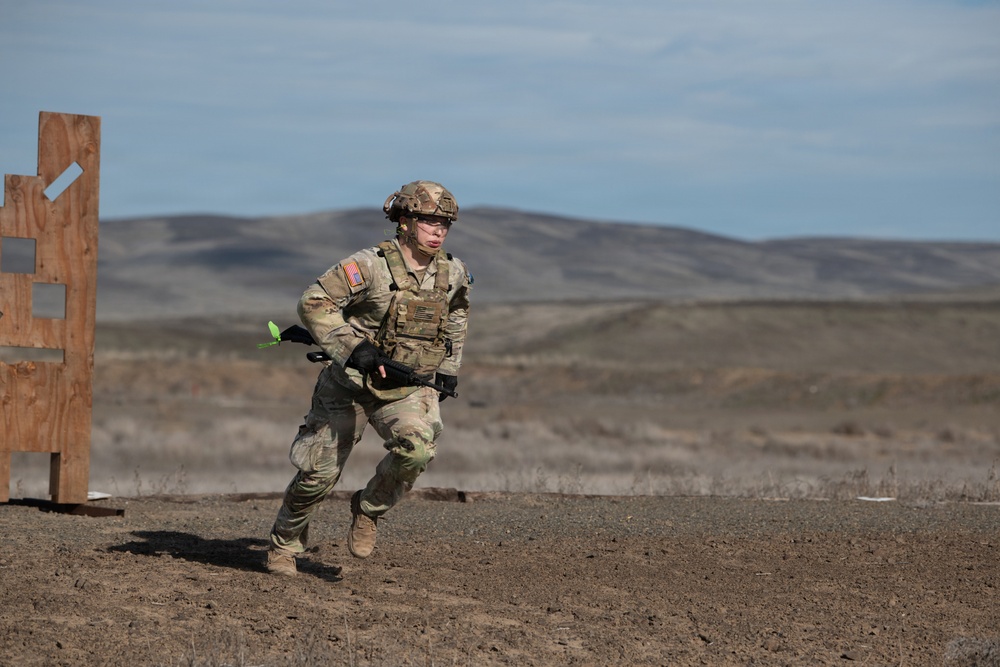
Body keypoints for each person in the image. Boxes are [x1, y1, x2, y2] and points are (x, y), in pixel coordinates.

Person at [266, 181, 472, 576]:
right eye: (428, 220)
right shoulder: (370, 265)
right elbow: (313, 302)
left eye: (444, 222)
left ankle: (368, 508)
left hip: (408, 386)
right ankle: (283, 546)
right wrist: (351, 347)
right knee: (317, 475)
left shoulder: (453, 271)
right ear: (405, 222)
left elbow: (459, 312)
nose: (438, 229)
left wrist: (449, 366)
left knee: (417, 450)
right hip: (349, 385)